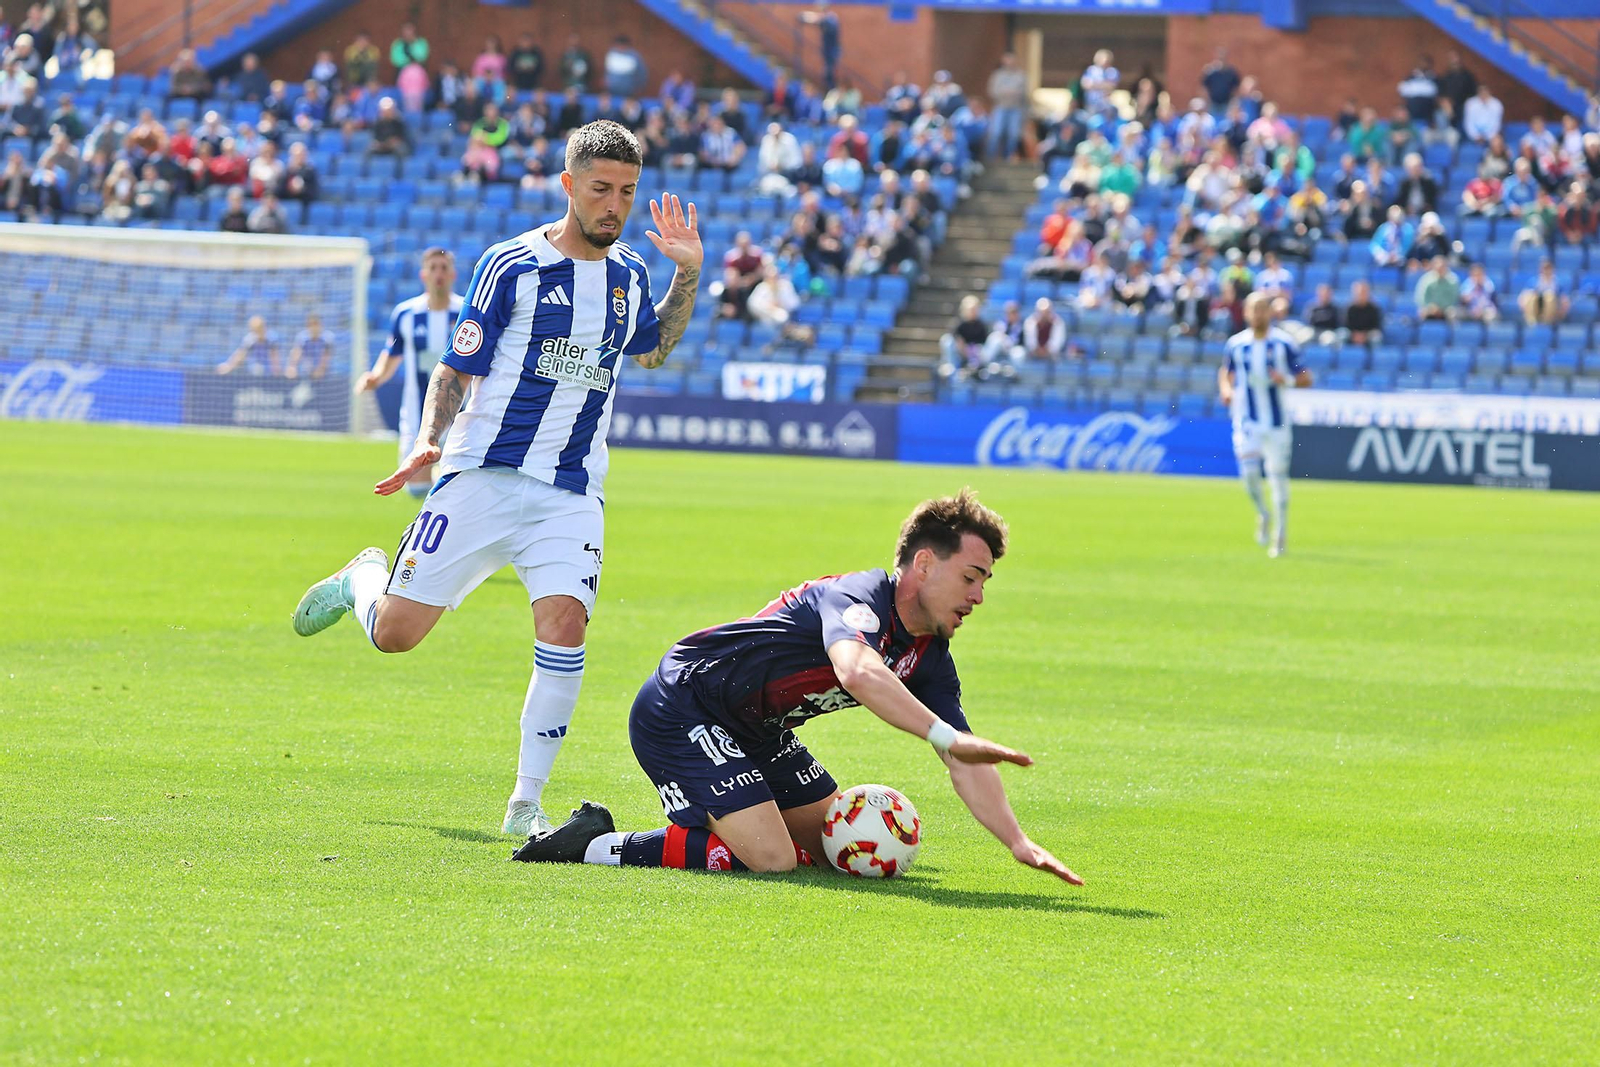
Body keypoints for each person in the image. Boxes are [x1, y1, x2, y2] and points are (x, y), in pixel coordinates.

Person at [291, 122, 704, 839]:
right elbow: (458, 367)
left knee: (565, 625)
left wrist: (688, 271)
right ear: (569, 185)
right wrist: (427, 440)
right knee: (394, 635)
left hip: (571, 492)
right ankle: (365, 577)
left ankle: (524, 802)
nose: (615, 205)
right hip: (482, 474)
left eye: (627, 192)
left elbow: (654, 348)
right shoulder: (511, 265)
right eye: (601, 189)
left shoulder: (632, 274)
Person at [512, 491, 1083, 886]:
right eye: (970, 577)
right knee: (773, 859)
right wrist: (939, 734)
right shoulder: (856, 598)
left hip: (757, 729)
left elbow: (964, 755)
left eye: (984, 582)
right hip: (684, 704)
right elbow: (858, 671)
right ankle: (592, 843)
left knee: (828, 849)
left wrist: (1016, 841)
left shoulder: (929, 655)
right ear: (925, 565)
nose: (978, 597)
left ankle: (717, 819)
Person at [357, 248, 466, 496]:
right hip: (417, 411)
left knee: (452, 489)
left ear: (453, 274)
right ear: (423, 274)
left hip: (460, 411)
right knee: (416, 490)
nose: (438, 273)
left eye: (443, 267)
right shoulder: (406, 314)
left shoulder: (465, 311)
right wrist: (376, 376)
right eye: (433, 268)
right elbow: (391, 354)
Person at [1219, 292, 1311, 559]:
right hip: (1246, 420)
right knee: (1248, 476)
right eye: (1254, 309)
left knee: (1278, 479)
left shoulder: (1284, 343)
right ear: (1246, 313)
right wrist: (1226, 389)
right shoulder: (1236, 344)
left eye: (1263, 309)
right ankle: (1263, 512)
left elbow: (1306, 377)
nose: (1258, 314)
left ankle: (1280, 536)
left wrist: (1286, 379)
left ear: (1270, 313)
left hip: (1277, 422)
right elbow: (1226, 371)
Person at [985, 52, 1026, 162]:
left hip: (1015, 108)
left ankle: (1009, 157)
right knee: (996, 133)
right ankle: (991, 158)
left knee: (1013, 134)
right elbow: (992, 91)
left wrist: (1008, 92)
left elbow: (1023, 92)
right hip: (1000, 107)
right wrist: (1007, 92)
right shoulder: (997, 75)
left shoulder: (1020, 75)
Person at [940, 294, 991, 378]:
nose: (973, 311)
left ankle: (977, 369)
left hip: (975, 355)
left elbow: (983, 342)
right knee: (947, 340)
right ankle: (952, 368)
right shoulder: (958, 323)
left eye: (975, 309)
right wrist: (962, 347)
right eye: (971, 309)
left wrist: (971, 350)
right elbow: (956, 339)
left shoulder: (981, 325)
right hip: (959, 353)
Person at [799, 0, 841, 92]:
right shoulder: (825, 18)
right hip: (827, 52)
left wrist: (807, 17)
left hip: (832, 52)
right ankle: (829, 91)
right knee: (826, 75)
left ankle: (832, 92)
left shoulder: (831, 18)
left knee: (830, 74)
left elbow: (820, 19)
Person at [286, 312, 336, 379]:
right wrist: (292, 366)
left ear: (321, 325)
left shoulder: (328, 337)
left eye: (315, 324)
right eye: (310, 325)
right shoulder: (301, 337)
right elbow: (297, 352)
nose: (313, 327)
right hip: (306, 372)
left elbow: (326, 356)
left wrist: (321, 369)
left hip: (326, 373)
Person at [1518, 260, 1569, 325]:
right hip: (1536, 308)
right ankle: (1532, 320)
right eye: (1545, 269)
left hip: (1552, 310)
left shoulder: (1556, 283)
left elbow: (1564, 299)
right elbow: (1523, 297)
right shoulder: (1534, 281)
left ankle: (1546, 321)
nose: (1546, 271)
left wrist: (1561, 312)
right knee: (1531, 296)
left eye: (1548, 269)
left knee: (1549, 297)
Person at [1414, 256, 1459, 321]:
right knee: (1422, 312)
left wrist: (1442, 308)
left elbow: (1454, 299)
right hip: (1430, 309)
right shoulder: (1426, 280)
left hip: (1446, 309)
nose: (1440, 270)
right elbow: (1420, 298)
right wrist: (1431, 307)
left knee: (1453, 313)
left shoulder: (1452, 280)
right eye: (1438, 268)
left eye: (1442, 267)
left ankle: (1453, 331)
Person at [1344, 279, 1383, 345]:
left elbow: (1376, 326)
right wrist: (1355, 334)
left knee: (1376, 337)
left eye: (1364, 292)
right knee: (1342, 334)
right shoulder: (1349, 308)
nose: (1361, 295)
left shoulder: (1374, 309)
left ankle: (1375, 355)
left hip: (1368, 334)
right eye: (1359, 293)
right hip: (1352, 334)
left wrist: (1364, 335)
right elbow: (1346, 324)